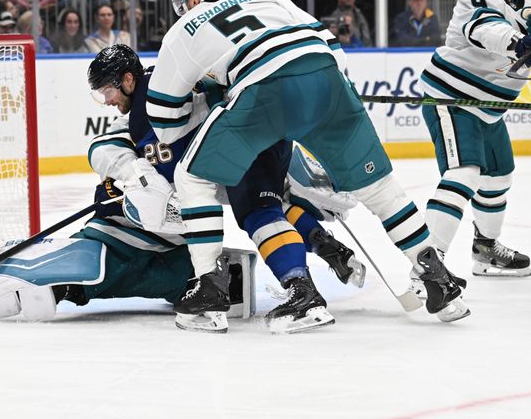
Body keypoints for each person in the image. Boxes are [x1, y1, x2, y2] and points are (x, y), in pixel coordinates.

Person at [145, 0, 470, 328]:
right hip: (328, 78)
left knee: (193, 176)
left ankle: (209, 291)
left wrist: (215, 110)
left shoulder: (185, 27)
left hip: (264, 89)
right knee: (381, 190)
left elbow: (163, 116)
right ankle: (438, 279)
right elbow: (332, 47)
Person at [88, 45, 364, 333]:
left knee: (259, 214)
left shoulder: (151, 102)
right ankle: (325, 245)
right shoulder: (164, 82)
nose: (106, 100)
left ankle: (301, 292)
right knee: (272, 204)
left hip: (241, 140)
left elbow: (164, 156)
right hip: (261, 135)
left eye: (108, 90)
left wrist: (141, 176)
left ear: (128, 80)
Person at [421, 0, 531, 280]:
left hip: (489, 108)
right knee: (465, 173)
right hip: (453, 98)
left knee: (499, 175)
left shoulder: (530, 1)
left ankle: (486, 250)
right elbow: (490, 31)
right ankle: (427, 266)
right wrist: (528, 45)